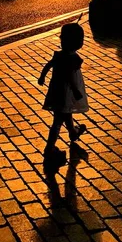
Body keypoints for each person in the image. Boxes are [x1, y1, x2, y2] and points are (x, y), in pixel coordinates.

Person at [38, 22, 89, 166]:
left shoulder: (59, 55)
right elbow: (70, 76)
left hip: (56, 90)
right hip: (66, 92)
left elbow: (49, 65)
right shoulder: (73, 59)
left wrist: (42, 77)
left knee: (65, 112)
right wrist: (76, 90)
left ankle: (73, 132)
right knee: (58, 120)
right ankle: (49, 148)